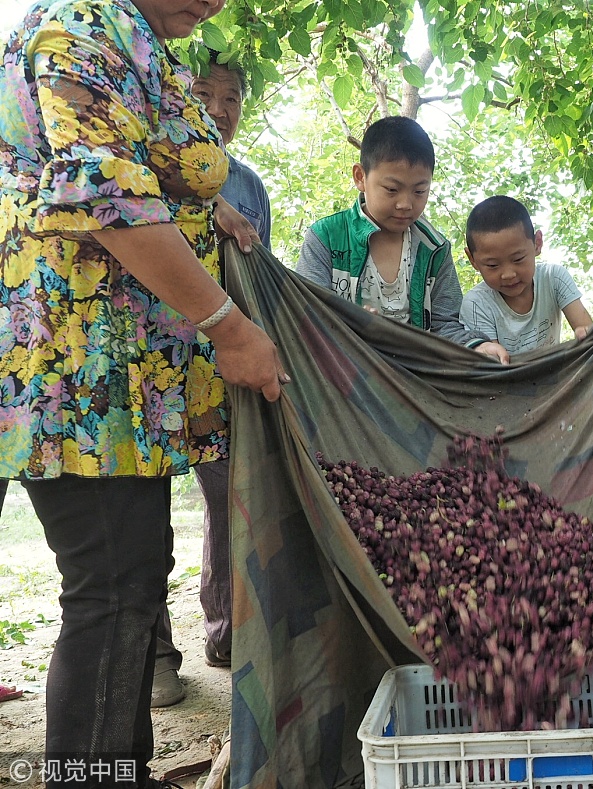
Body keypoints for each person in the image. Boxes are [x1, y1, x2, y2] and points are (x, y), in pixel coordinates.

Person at [0, 0, 286, 786]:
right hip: (82, 372)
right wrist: (229, 327)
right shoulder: (77, 30)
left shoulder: (138, 41)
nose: (218, 3)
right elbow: (101, 198)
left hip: (132, 379)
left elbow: (147, 167)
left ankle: (120, 769)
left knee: (132, 579)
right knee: (111, 586)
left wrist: (208, 205)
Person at [150, 51, 273, 708]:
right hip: (145, 364)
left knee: (230, 502)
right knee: (142, 514)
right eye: (203, 93)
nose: (217, 109)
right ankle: (156, 654)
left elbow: (261, 284)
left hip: (218, 372)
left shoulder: (250, 185)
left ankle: (226, 630)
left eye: (231, 98)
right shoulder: (141, 165)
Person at [294, 116, 510, 364]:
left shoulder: (434, 250)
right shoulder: (326, 238)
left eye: (419, 191)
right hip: (345, 374)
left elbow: (445, 325)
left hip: (415, 381)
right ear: (360, 177)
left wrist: (477, 346)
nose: (405, 204)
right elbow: (307, 315)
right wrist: (351, 323)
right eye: (392, 190)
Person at [460, 195, 593, 354]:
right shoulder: (476, 304)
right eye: (492, 265)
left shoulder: (554, 278)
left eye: (518, 259)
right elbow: (493, 364)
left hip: (558, 373)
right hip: (508, 378)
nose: (508, 275)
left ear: (537, 243)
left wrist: (585, 333)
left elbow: (587, 330)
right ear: (472, 259)